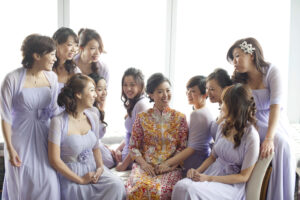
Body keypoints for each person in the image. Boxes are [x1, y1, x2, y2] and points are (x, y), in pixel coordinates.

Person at [226, 37, 296, 200]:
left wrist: (270, 138)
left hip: (273, 121)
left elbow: (275, 106)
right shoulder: (239, 79)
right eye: (233, 59)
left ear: (251, 54)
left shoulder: (271, 71)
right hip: (250, 122)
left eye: (237, 56)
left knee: (282, 144)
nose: (234, 62)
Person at [172, 84, 260, 200]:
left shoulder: (251, 136)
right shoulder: (223, 126)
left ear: (235, 107)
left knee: (190, 190)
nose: (221, 106)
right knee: (181, 185)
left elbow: (244, 176)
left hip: (229, 185)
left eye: (224, 102)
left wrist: (208, 178)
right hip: (211, 172)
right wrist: (196, 171)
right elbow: (212, 157)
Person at [0, 34, 60, 199]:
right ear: (37, 55)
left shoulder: (52, 78)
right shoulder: (12, 79)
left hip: (45, 136)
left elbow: (55, 112)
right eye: (52, 54)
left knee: (50, 183)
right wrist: (10, 149)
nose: (55, 59)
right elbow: (5, 117)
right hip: (20, 138)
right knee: (23, 183)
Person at [48, 73, 126, 200]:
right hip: (71, 175)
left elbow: (95, 148)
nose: (96, 95)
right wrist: (80, 180)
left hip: (93, 169)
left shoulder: (93, 117)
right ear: (78, 94)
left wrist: (100, 168)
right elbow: (54, 160)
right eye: (91, 90)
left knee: (116, 185)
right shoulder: (58, 122)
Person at [125, 73, 188, 200]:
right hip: (145, 166)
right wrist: (144, 165)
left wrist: (170, 166)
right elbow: (133, 147)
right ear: (151, 94)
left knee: (159, 191)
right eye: (160, 91)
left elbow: (182, 148)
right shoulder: (141, 117)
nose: (165, 95)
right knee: (138, 188)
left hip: (170, 168)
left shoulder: (180, 118)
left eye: (168, 90)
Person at [156, 75, 213, 175]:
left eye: (193, 91)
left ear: (204, 94)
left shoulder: (197, 114)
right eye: (188, 90)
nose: (188, 94)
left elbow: (191, 149)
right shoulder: (205, 111)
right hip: (200, 160)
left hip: (193, 163)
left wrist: (167, 163)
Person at [114, 67, 151, 171]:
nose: (128, 88)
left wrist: (123, 166)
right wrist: (118, 149)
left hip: (135, 159)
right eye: (125, 85)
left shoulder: (141, 105)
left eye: (132, 85)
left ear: (140, 86)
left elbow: (140, 141)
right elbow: (130, 134)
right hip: (128, 155)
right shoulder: (134, 102)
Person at [88, 73, 115, 169]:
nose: (104, 93)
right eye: (99, 89)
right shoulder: (92, 111)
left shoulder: (96, 108)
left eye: (105, 89)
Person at [52, 27, 81, 92]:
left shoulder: (75, 71)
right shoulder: (45, 68)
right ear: (56, 44)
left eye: (76, 45)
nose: (74, 50)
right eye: (70, 45)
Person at [206, 68, 232, 140]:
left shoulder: (231, 113)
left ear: (226, 89)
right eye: (207, 89)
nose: (207, 93)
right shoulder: (221, 108)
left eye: (212, 89)